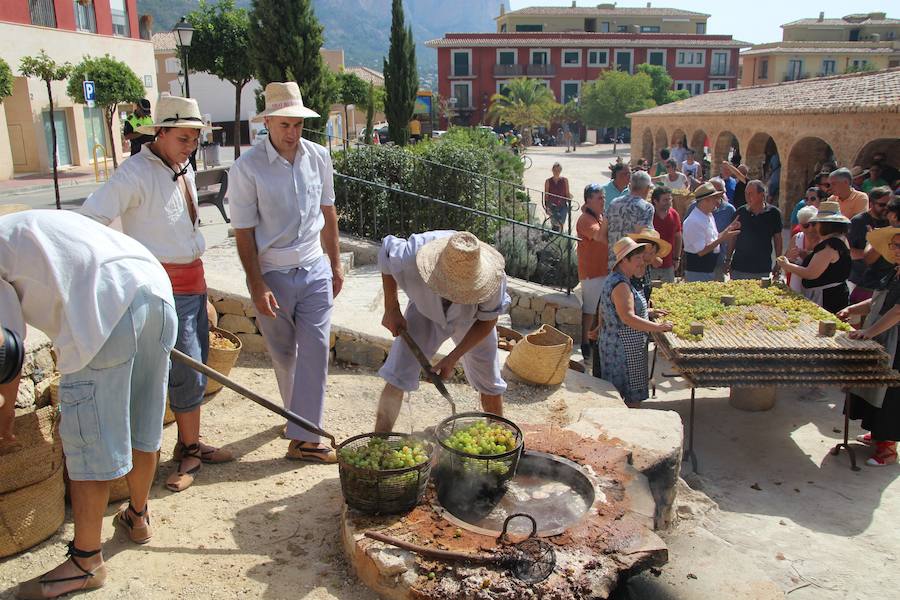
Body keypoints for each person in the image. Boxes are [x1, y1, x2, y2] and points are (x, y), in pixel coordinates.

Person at [1, 209, 176, 599]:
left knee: (89, 437)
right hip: (155, 290)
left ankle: (85, 561)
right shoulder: (20, 226)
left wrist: (5, 420)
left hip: (104, 306)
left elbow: (7, 350)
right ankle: (138, 517)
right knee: (142, 421)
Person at [80, 95, 232, 492]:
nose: (191, 146)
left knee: (194, 367)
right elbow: (90, 219)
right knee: (177, 372)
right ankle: (182, 454)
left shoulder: (180, 166)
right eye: (183, 138)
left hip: (193, 282)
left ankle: (191, 443)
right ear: (160, 132)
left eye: (194, 138)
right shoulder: (134, 174)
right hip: (160, 288)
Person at [229, 82, 344, 463]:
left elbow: (328, 212)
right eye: (284, 125)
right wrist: (256, 283)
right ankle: (297, 420)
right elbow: (243, 231)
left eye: (297, 125)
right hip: (273, 272)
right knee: (283, 354)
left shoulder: (318, 157)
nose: (292, 133)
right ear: (267, 123)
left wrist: (336, 262)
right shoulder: (247, 168)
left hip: (314, 268)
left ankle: (305, 438)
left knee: (315, 348)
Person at [373, 231, 509, 431]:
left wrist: (453, 357)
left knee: (489, 379)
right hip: (425, 311)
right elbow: (386, 252)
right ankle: (379, 442)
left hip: (472, 320)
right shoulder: (412, 255)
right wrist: (391, 308)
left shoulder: (493, 279)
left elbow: (488, 321)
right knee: (398, 372)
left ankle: (498, 441)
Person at [838, 226, 900, 466]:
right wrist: (853, 310)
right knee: (873, 387)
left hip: (895, 341)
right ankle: (876, 434)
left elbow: (897, 311)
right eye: (893, 245)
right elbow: (877, 300)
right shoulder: (894, 272)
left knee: (890, 392)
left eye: (899, 245)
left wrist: (869, 332)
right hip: (879, 334)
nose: (895, 250)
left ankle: (887, 448)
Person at [598, 237, 673, 407]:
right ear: (624, 260)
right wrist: (658, 327)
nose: (642, 261)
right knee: (625, 398)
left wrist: (649, 312)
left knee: (618, 396)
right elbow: (627, 317)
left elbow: (614, 311)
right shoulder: (621, 285)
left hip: (619, 344)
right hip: (623, 349)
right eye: (637, 258)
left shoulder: (620, 279)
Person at [776, 201, 850, 314]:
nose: (814, 228)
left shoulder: (829, 245)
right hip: (833, 294)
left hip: (827, 298)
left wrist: (787, 265)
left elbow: (810, 273)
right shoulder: (839, 240)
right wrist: (807, 256)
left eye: (816, 223)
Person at [682, 182, 740, 282]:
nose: (718, 201)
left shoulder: (708, 215)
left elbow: (713, 238)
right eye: (715, 198)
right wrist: (722, 238)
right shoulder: (693, 221)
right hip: (698, 273)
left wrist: (728, 229)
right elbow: (701, 251)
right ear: (705, 200)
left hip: (709, 270)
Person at [726, 180, 783, 280]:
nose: (747, 197)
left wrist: (778, 262)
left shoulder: (774, 213)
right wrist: (728, 259)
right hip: (739, 267)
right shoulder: (740, 212)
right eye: (746, 194)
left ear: (761, 195)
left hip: (761, 268)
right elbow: (733, 237)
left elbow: (777, 239)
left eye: (751, 194)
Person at [576, 183, 608, 361]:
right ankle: (585, 342)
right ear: (588, 200)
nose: (603, 201)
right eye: (600, 198)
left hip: (603, 269)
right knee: (589, 309)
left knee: (601, 308)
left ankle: (594, 339)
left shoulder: (598, 217)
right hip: (591, 271)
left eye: (603, 197)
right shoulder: (586, 220)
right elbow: (600, 238)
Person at [847, 187, 891, 304]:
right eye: (882, 205)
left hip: (885, 283)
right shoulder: (858, 222)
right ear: (871, 203)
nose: (886, 209)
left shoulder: (892, 221)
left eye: (889, 205)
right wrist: (873, 251)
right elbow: (847, 251)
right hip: (860, 282)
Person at [606, 170, 655, 272]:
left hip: (613, 264)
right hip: (634, 267)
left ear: (630, 186)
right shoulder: (646, 207)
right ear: (647, 189)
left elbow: (601, 235)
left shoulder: (614, 203)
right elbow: (643, 238)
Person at [649, 186, 682, 282]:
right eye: (665, 200)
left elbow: (678, 237)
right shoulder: (649, 215)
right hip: (650, 265)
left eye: (669, 199)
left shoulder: (674, 214)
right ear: (655, 201)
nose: (668, 202)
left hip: (668, 265)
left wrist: (677, 258)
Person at [786, 205, 819, 293]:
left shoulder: (824, 239)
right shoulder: (797, 238)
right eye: (806, 225)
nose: (811, 228)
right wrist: (791, 260)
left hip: (817, 290)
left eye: (814, 224)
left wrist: (807, 256)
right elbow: (786, 268)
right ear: (800, 226)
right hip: (797, 287)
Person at [543, 162, 572, 232]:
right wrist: (546, 207)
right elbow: (546, 195)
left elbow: (567, 193)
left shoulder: (565, 180)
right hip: (552, 206)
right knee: (555, 225)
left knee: (561, 223)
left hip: (562, 205)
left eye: (558, 170)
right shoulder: (548, 181)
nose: (556, 172)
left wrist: (570, 198)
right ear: (552, 170)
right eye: (555, 170)